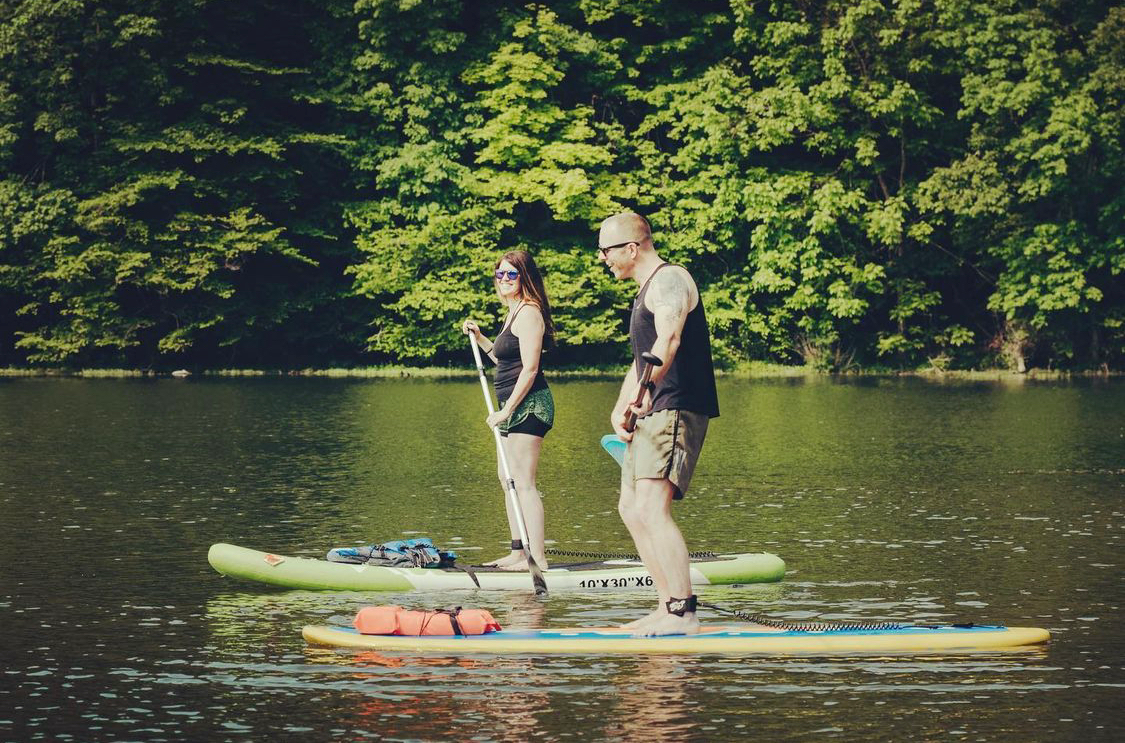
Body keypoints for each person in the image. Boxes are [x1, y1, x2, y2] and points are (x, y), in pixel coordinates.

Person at [599, 212, 719, 636]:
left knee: (652, 507)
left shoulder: (671, 281)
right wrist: (622, 404)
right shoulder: (643, 291)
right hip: (653, 406)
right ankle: (665, 606)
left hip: (676, 405)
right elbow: (644, 357)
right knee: (631, 508)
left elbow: (668, 341)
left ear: (632, 248)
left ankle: (684, 614)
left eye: (607, 250)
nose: (603, 258)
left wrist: (647, 390)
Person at [462, 250, 556, 572]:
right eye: (499, 274)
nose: (503, 280)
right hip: (511, 406)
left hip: (530, 405)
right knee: (507, 478)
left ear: (525, 277)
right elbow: (504, 362)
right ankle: (518, 552)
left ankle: (538, 558)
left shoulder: (530, 313)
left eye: (511, 275)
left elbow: (529, 370)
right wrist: (481, 338)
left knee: (523, 481)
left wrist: (506, 411)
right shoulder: (513, 312)